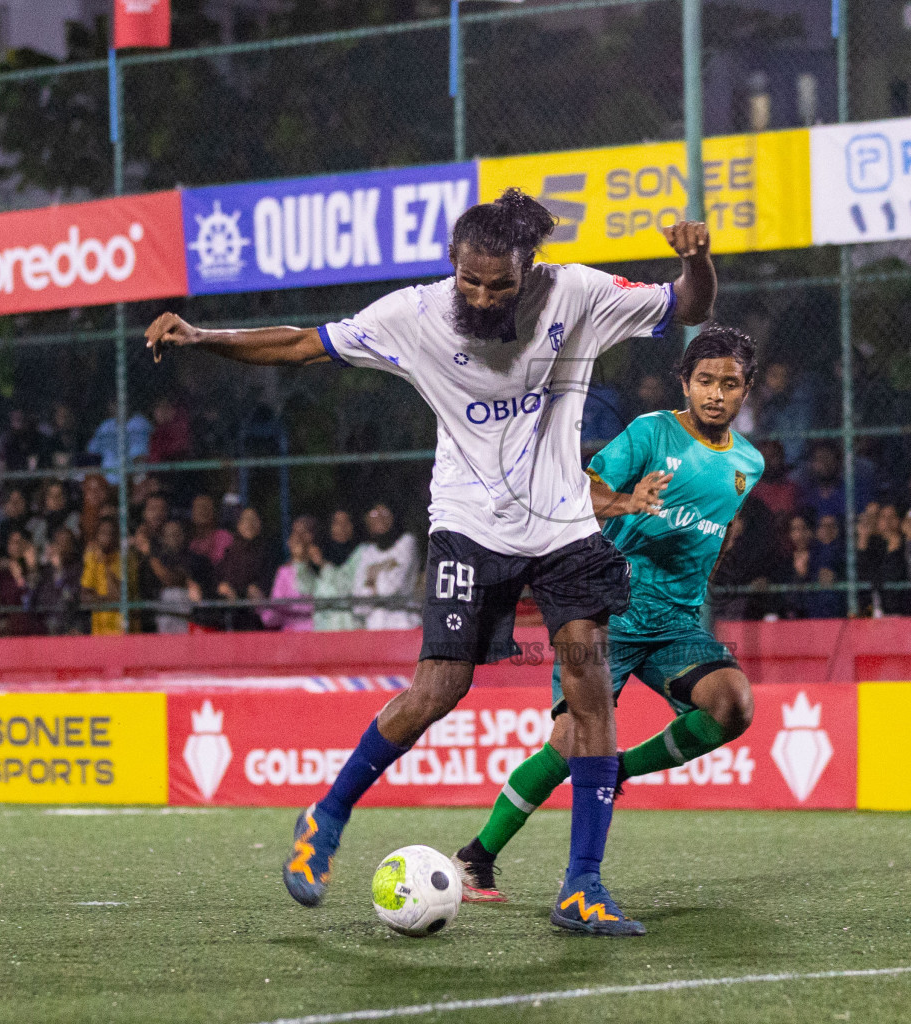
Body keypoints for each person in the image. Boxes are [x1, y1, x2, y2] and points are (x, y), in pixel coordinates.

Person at [146, 188, 715, 935]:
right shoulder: (412, 316)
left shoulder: (576, 292)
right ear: (453, 262)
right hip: (470, 527)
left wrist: (698, 259)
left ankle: (582, 885)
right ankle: (326, 817)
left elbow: (689, 306)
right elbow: (299, 344)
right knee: (439, 687)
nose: (483, 294)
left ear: (528, 267)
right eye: (471, 279)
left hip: (565, 530)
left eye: (500, 283)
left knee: (591, 692)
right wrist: (203, 335)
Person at [455, 324, 761, 902]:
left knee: (733, 705)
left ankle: (618, 770)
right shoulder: (651, 433)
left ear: (746, 391)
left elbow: (717, 532)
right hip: (609, 614)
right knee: (569, 742)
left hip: (675, 623)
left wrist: (702, 575)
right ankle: (477, 857)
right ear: (685, 384)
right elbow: (582, 491)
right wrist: (628, 501)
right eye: (704, 381)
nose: (716, 394)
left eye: (730, 384)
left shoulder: (749, 462)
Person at [350, 503, 418, 630]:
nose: (379, 518)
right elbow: (359, 607)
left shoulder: (407, 542)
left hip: (403, 626)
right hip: (375, 629)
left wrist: (372, 576)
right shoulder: (367, 552)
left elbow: (391, 589)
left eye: (385, 513)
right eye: (374, 514)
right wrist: (373, 580)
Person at [295, 510, 363, 632]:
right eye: (337, 523)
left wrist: (323, 565)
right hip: (324, 628)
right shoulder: (323, 551)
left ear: (353, 526)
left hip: (351, 627)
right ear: (330, 527)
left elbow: (346, 587)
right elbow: (305, 588)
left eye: (346, 522)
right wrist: (301, 563)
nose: (342, 527)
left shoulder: (361, 553)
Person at [215, 507, 275, 631]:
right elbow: (218, 578)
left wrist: (259, 589)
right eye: (245, 520)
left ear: (260, 524)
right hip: (232, 613)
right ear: (239, 525)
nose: (249, 524)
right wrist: (222, 587)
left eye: (254, 520)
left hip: (257, 615)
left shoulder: (268, 552)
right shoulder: (230, 552)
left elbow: (269, 580)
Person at [260, 515, 321, 632]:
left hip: (318, 632)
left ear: (311, 537)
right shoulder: (283, 572)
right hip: (291, 635)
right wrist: (260, 605)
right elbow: (275, 609)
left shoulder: (319, 569)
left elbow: (322, 603)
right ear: (289, 542)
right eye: (295, 533)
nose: (299, 537)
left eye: (303, 532)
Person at [30, 527, 87, 636]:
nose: (62, 547)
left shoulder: (79, 570)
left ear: (72, 546)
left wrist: (60, 570)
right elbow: (34, 600)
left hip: (69, 627)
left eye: (66, 542)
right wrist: (32, 570)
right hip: (44, 627)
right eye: (58, 542)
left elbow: (70, 597)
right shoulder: (45, 572)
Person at [855, 502, 907, 616]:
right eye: (883, 517)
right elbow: (863, 576)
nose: (887, 522)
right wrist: (862, 541)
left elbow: (893, 578)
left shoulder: (906, 544)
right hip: (873, 612)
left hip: (900, 612)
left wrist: (894, 551)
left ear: (899, 520)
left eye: (892, 517)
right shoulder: (872, 545)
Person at [81, 516, 125, 636]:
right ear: (96, 536)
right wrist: (107, 600)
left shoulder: (125, 559)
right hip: (99, 632)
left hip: (121, 631)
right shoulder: (92, 557)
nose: (107, 537)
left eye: (111, 534)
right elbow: (85, 598)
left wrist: (104, 565)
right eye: (103, 533)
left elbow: (119, 598)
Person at [188, 494, 233, 567]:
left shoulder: (225, 538)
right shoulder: (187, 539)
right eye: (198, 507)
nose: (202, 511)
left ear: (214, 512)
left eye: (206, 507)